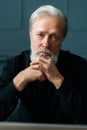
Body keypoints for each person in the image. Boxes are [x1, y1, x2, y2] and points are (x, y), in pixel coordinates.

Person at [0, 5, 87, 124]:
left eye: (54, 37)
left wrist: (58, 79)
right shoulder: (14, 65)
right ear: (31, 35)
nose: (45, 44)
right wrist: (21, 79)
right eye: (40, 35)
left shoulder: (79, 66)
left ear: (62, 39)